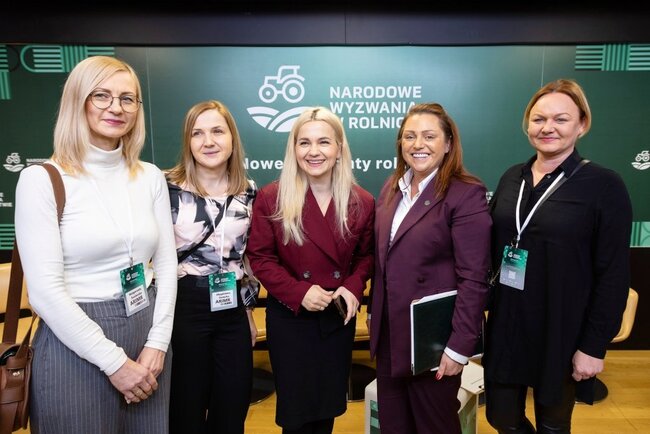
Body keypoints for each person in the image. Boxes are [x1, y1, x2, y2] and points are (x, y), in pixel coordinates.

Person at [14, 55, 177, 433]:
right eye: (101, 95)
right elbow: (44, 294)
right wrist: (115, 363)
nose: (116, 108)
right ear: (78, 100)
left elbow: (167, 266)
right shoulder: (42, 180)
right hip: (76, 342)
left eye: (127, 98)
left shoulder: (150, 176)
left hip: (146, 334)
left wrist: (158, 343)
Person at [483, 78, 633, 434]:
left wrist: (593, 347)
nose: (547, 127)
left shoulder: (604, 185)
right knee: (500, 417)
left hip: (562, 329)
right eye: (538, 119)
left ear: (582, 124)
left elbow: (613, 274)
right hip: (508, 322)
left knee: (553, 425)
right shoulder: (512, 177)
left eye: (561, 119)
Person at [246, 106, 374, 434]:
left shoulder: (362, 201)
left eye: (323, 142)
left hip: (336, 318)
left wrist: (353, 286)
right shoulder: (271, 198)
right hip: (291, 320)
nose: (313, 151)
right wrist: (299, 292)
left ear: (339, 149)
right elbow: (260, 257)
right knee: (297, 417)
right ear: (294, 149)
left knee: (326, 412)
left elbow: (366, 257)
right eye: (304, 142)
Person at [368, 102, 491, 434]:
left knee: (434, 426)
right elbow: (382, 260)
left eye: (429, 136)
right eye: (409, 136)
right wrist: (374, 313)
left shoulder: (466, 194)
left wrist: (459, 347)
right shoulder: (392, 187)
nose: (417, 144)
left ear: (448, 143)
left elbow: (474, 278)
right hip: (390, 335)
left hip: (433, 342)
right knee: (394, 426)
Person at [165, 100, 258, 434]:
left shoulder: (248, 191)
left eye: (217, 131)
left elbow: (245, 259)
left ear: (232, 138)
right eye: (198, 133)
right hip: (184, 305)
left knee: (232, 405)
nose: (208, 141)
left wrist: (248, 313)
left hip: (232, 308)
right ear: (188, 141)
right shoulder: (167, 187)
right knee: (185, 407)